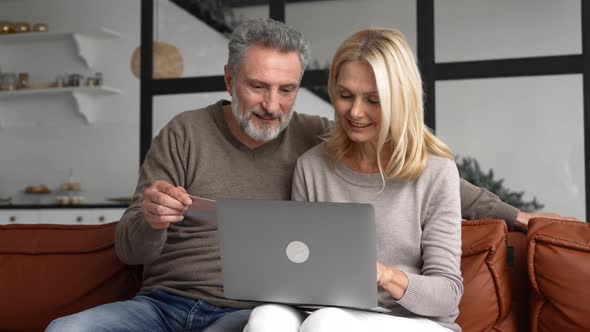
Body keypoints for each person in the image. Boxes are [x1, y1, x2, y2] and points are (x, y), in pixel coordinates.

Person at [45, 18, 558, 332]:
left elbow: (418, 169)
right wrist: (152, 220)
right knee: (67, 330)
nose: (272, 106)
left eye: (286, 90)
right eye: (258, 87)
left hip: (240, 313)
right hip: (160, 305)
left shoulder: (319, 135)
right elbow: (129, 250)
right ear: (229, 79)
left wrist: (516, 215)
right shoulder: (183, 133)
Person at [245, 28, 461, 332]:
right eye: (346, 96)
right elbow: (301, 272)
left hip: (414, 322)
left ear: (400, 99)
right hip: (332, 311)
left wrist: (385, 275)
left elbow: (448, 296)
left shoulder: (436, 171)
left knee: (326, 323)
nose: (355, 112)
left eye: (373, 100)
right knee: (266, 317)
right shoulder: (312, 167)